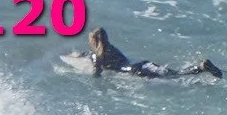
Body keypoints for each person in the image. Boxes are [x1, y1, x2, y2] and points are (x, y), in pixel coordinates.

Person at [86, 27, 219, 80]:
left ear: (93, 41)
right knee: (174, 74)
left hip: (136, 72)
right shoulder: (112, 48)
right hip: (143, 64)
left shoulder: (98, 57)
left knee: (174, 77)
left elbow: (96, 75)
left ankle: (201, 68)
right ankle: (201, 67)